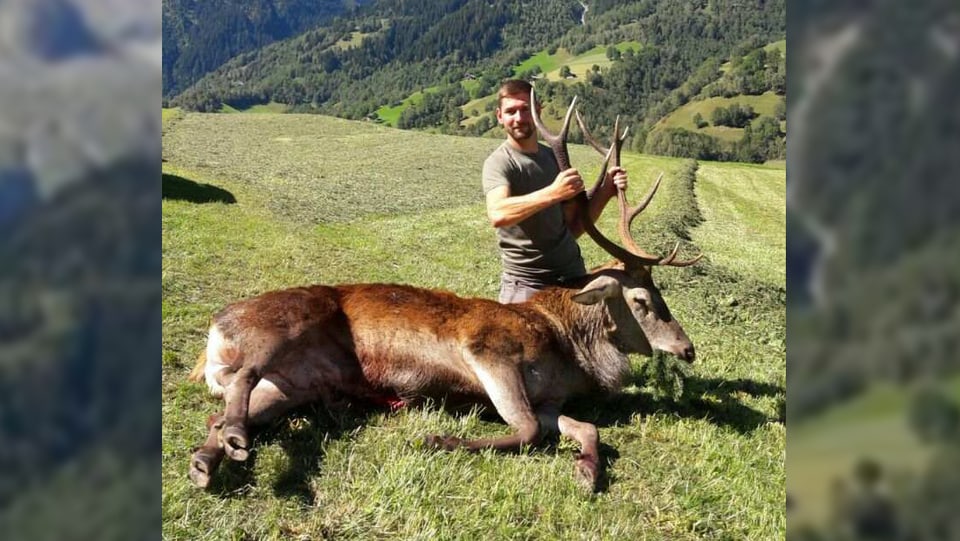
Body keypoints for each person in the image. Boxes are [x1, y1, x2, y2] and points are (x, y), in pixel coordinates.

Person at [482, 79, 628, 303]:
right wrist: (554, 192)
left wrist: (607, 190)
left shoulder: (553, 157)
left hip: (573, 278)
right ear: (499, 116)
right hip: (528, 287)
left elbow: (574, 228)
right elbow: (498, 213)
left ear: (538, 110)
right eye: (511, 111)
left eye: (525, 109)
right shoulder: (500, 163)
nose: (519, 118)